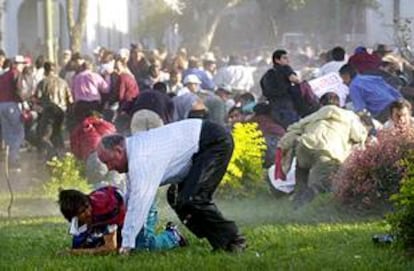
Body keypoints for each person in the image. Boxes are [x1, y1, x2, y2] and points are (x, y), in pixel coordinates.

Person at [96, 119, 246, 253]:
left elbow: (140, 202)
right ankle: (221, 243)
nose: (109, 168)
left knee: (194, 198)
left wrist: (126, 245)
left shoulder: (141, 159)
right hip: (200, 144)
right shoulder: (133, 152)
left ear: (118, 150)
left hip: (214, 142)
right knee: (176, 198)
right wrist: (122, 232)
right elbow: (131, 198)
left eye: (108, 161)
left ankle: (234, 240)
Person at [278, 92, 368, 207]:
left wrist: (283, 147)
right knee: (319, 184)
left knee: (302, 168)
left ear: (321, 104)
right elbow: (359, 135)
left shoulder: (314, 115)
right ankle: (301, 207)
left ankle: (298, 195)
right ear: (339, 104)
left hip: (305, 146)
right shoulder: (349, 116)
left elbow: (292, 128)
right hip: (328, 151)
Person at [58, 186, 186, 255]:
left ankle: (173, 236)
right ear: (73, 217)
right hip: (126, 218)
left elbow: (110, 248)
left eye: (86, 207)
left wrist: (75, 253)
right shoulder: (79, 219)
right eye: (82, 212)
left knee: (143, 248)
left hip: (143, 208)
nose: (88, 212)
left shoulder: (104, 209)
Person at [260, 49, 301, 129]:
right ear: (277, 60)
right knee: (292, 128)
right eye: (285, 58)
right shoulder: (285, 68)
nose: (288, 60)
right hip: (286, 104)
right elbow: (295, 80)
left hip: (273, 106)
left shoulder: (268, 74)